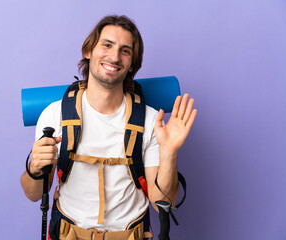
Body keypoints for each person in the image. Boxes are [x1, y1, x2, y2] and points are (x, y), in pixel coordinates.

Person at [21, 15, 197, 240]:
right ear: (88, 51)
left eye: (125, 51)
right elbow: (33, 194)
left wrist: (169, 152)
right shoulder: (55, 115)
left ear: (132, 63)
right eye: (107, 45)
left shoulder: (151, 121)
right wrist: (35, 170)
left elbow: (164, 202)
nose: (114, 57)